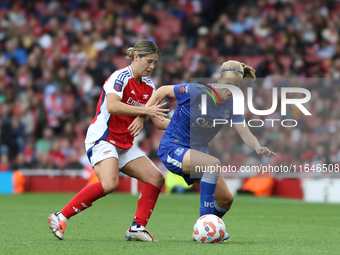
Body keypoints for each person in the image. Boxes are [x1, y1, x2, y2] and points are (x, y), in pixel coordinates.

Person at [130, 60, 276, 241]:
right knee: (213, 164)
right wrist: (142, 115)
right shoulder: (196, 91)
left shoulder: (233, 103)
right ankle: (204, 226)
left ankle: (209, 227)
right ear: (219, 78)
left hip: (197, 154)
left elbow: (244, 131)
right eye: (228, 85)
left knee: (225, 199)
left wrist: (258, 147)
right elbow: (161, 91)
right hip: (174, 148)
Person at [48, 40, 170, 242]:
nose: (152, 67)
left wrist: (187, 125)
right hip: (103, 139)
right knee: (110, 183)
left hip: (125, 143)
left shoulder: (149, 86)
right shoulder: (119, 77)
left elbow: (157, 120)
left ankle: (137, 228)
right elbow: (112, 105)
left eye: (155, 63)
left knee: (156, 178)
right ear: (136, 57)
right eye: (149, 61)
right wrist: (144, 112)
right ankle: (60, 216)